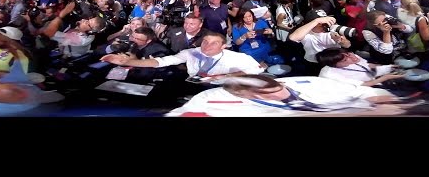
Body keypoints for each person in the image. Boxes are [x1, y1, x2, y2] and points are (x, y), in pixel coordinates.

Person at [165, 74, 405, 117]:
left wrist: (382, 103)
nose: (277, 96)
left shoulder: (312, 82)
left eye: (277, 90)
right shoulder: (217, 101)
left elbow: (367, 92)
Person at [101, 31, 263, 80]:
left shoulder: (238, 58)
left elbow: (259, 68)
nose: (207, 46)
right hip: (192, 89)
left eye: (213, 43)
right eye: (205, 41)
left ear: (223, 46)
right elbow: (161, 62)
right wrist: (126, 61)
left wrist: (225, 76)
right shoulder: (190, 53)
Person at [316, 48, 406, 88]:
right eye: (345, 59)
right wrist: (386, 77)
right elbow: (363, 85)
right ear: (335, 65)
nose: (351, 57)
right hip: (363, 89)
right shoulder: (329, 75)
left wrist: (389, 67)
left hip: (375, 79)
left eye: (348, 54)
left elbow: (367, 66)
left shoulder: (350, 56)